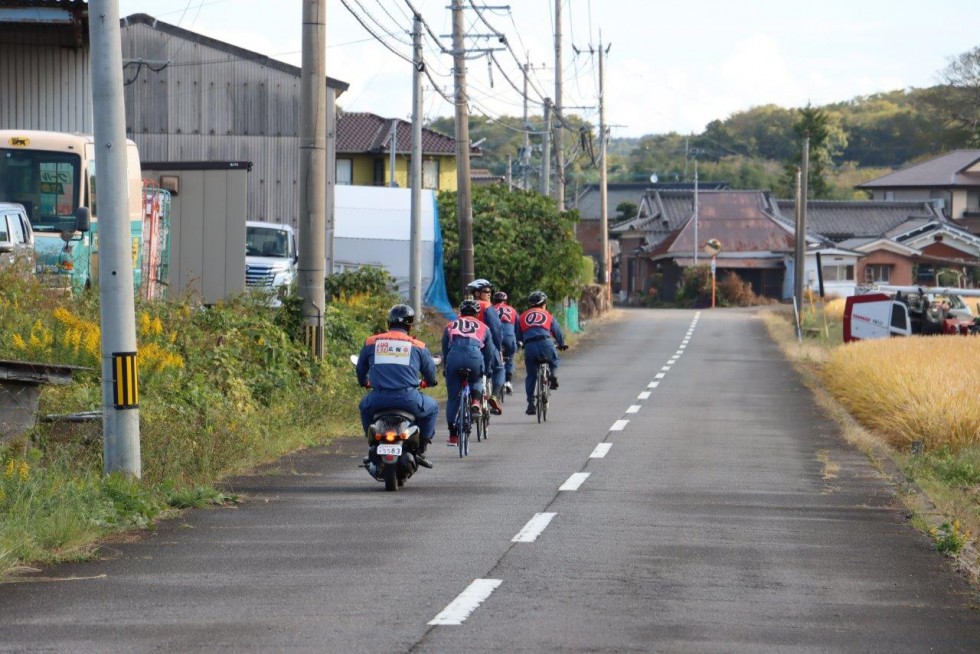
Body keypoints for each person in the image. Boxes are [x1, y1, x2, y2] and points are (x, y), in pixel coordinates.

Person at [356, 304, 439, 466]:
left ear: (389, 323)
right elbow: (430, 374)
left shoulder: (371, 342)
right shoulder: (418, 346)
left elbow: (360, 369)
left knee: (363, 406)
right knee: (433, 408)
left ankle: (373, 445)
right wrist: (428, 382)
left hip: (378, 400)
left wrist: (363, 382)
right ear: (409, 326)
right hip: (409, 400)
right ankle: (421, 449)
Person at [442, 299, 497, 446]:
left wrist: (445, 367)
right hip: (474, 357)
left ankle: (453, 436)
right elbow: (489, 352)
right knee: (476, 380)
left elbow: (445, 348)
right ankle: (476, 402)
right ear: (477, 313)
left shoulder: (450, 325)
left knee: (453, 398)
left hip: (454, 357)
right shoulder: (484, 327)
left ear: (460, 313)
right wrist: (487, 369)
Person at [516, 290, 567, 416]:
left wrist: (523, 343)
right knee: (554, 360)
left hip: (530, 346)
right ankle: (553, 375)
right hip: (546, 343)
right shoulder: (548, 315)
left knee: (531, 375)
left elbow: (518, 335)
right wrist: (561, 343)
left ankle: (531, 404)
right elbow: (557, 332)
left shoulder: (522, 316)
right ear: (544, 303)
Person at [466, 278, 504, 414]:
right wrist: (499, 348)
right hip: (486, 346)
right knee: (499, 368)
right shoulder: (487, 307)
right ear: (477, 293)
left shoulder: (464, 306)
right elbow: (497, 328)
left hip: (467, 347)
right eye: (486, 291)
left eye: (490, 291)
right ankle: (494, 396)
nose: (489, 294)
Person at [492, 290, 518, 395]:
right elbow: (518, 327)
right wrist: (518, 340)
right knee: (510, 358)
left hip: (495, 337)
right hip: (509, 337)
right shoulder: (512, 310)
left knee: (493, 360)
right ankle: (508, 381)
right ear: (505, 301)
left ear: (494, 301)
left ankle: (493, 382)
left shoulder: (491, 309)